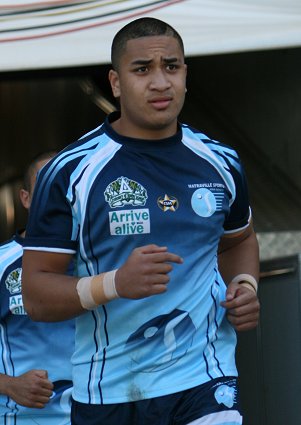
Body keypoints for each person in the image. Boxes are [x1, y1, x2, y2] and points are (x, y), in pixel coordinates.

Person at [22, 17, 260, 425]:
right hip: (111, 391)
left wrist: (244, 285)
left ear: (186, 73)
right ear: (115, 83)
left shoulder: (220, 161)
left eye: (171, 66)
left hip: (205, 379)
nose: (160, 82)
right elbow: (36, 295)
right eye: (142, 69)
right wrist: (115, 283)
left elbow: (239, 240)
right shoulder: (71, 172)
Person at [0, 151, 75, 424]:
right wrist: (9, 385)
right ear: (26, 199)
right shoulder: (1, 263)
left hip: (101, 414)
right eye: (47, 189)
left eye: (67, 188)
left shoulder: (103, 260)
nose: (60, 200)